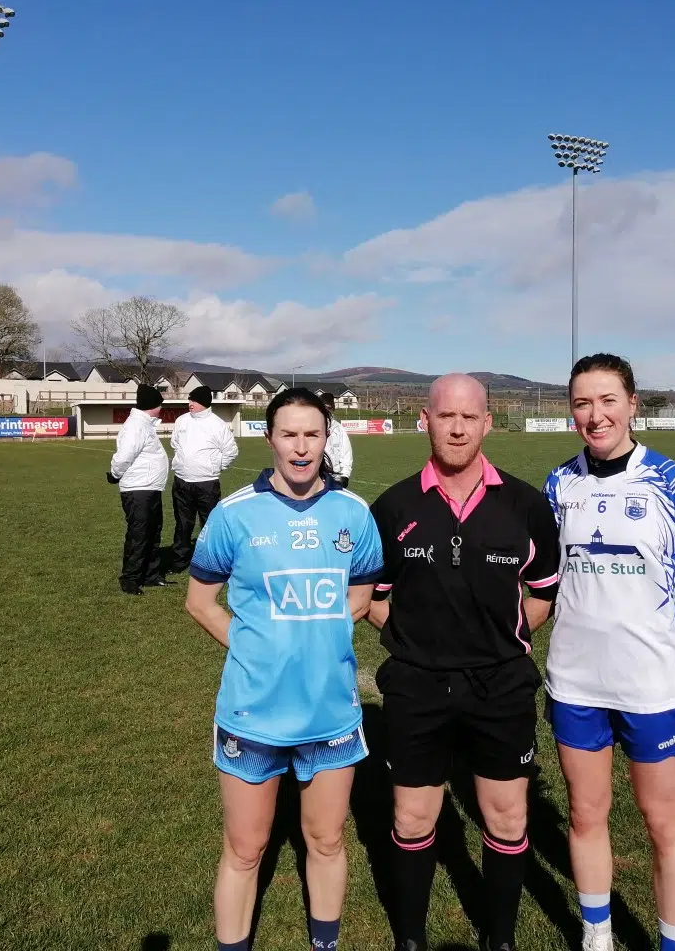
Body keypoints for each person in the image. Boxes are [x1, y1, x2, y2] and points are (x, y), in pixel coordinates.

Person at [541, 353, 675, 951]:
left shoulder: (673, 481)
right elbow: (541, 577)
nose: (595, 415)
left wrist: (662, 642)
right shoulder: (558, 485)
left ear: (632, 404)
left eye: (608, 400)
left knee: (663, 823)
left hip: (653, 687)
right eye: (582, 403)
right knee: (585, 815)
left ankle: (673, 945)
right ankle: (596, 935)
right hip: (576, 682)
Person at [184, 387, 384, 951]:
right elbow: (200, 602)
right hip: (254, 713)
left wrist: (319, 633)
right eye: (289, 434)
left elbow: (361, 595)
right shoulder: (234, 514)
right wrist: (254, 647)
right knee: (245, 849)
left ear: (327, 438)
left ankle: (325, 944)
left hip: (329, 711)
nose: (301, 447)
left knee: (326, 841)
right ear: (269, 437)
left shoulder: (354, 513)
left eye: (312, 434)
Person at [368, 373, 561, 951]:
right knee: (412, 819)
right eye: (445, 416)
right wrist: (416, 642)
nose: (457, 428)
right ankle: (410, 939)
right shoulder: (393, 506)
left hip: (500, 685)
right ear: (424, 419)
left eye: (469, 417)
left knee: (506, 818)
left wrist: (499, 640)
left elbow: (542, 594)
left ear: (487, 423)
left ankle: (499, 939)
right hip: (416, 686)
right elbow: (374, 598)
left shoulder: (526, 505)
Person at [107, 383, 170, 595]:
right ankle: (130, 578)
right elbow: (124, 456)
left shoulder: (144, 425)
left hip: (150, 487)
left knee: (153, 531)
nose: (161, 408)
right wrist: (115, 474)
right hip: (138, 488)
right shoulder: (135, 426)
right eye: (159, 404)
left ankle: (150, 575)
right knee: (139, 534)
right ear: (153, 405)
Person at [169, 386, 239, 573]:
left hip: (207, 483)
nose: (190, 403)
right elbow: (175, 443)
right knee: (182, 523)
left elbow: (231, 451)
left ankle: (211, 561)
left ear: (204, 402)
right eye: (189, 400)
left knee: (209, 524)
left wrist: (215, 467)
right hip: (182, 481)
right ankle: (179, 562)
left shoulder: (217, 424)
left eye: (194, 400)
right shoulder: (182, 421)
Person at [321, 392, 353, 487]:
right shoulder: (311, 426)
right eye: (324, 408)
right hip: (318, 478)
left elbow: (346, 453)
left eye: (329, 408)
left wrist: (345, 475)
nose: (327, 411)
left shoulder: (338, 428)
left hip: (336, 478)